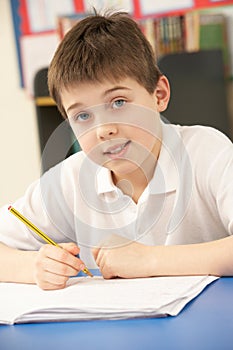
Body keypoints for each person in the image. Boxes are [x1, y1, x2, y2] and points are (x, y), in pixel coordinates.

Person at [0, 10, 232, 290]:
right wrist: (33, 266)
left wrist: (150, 261)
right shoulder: (70, 179)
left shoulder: (208, 153)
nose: (103, 130)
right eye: (83, 116)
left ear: (159, 95)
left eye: (119, 102)